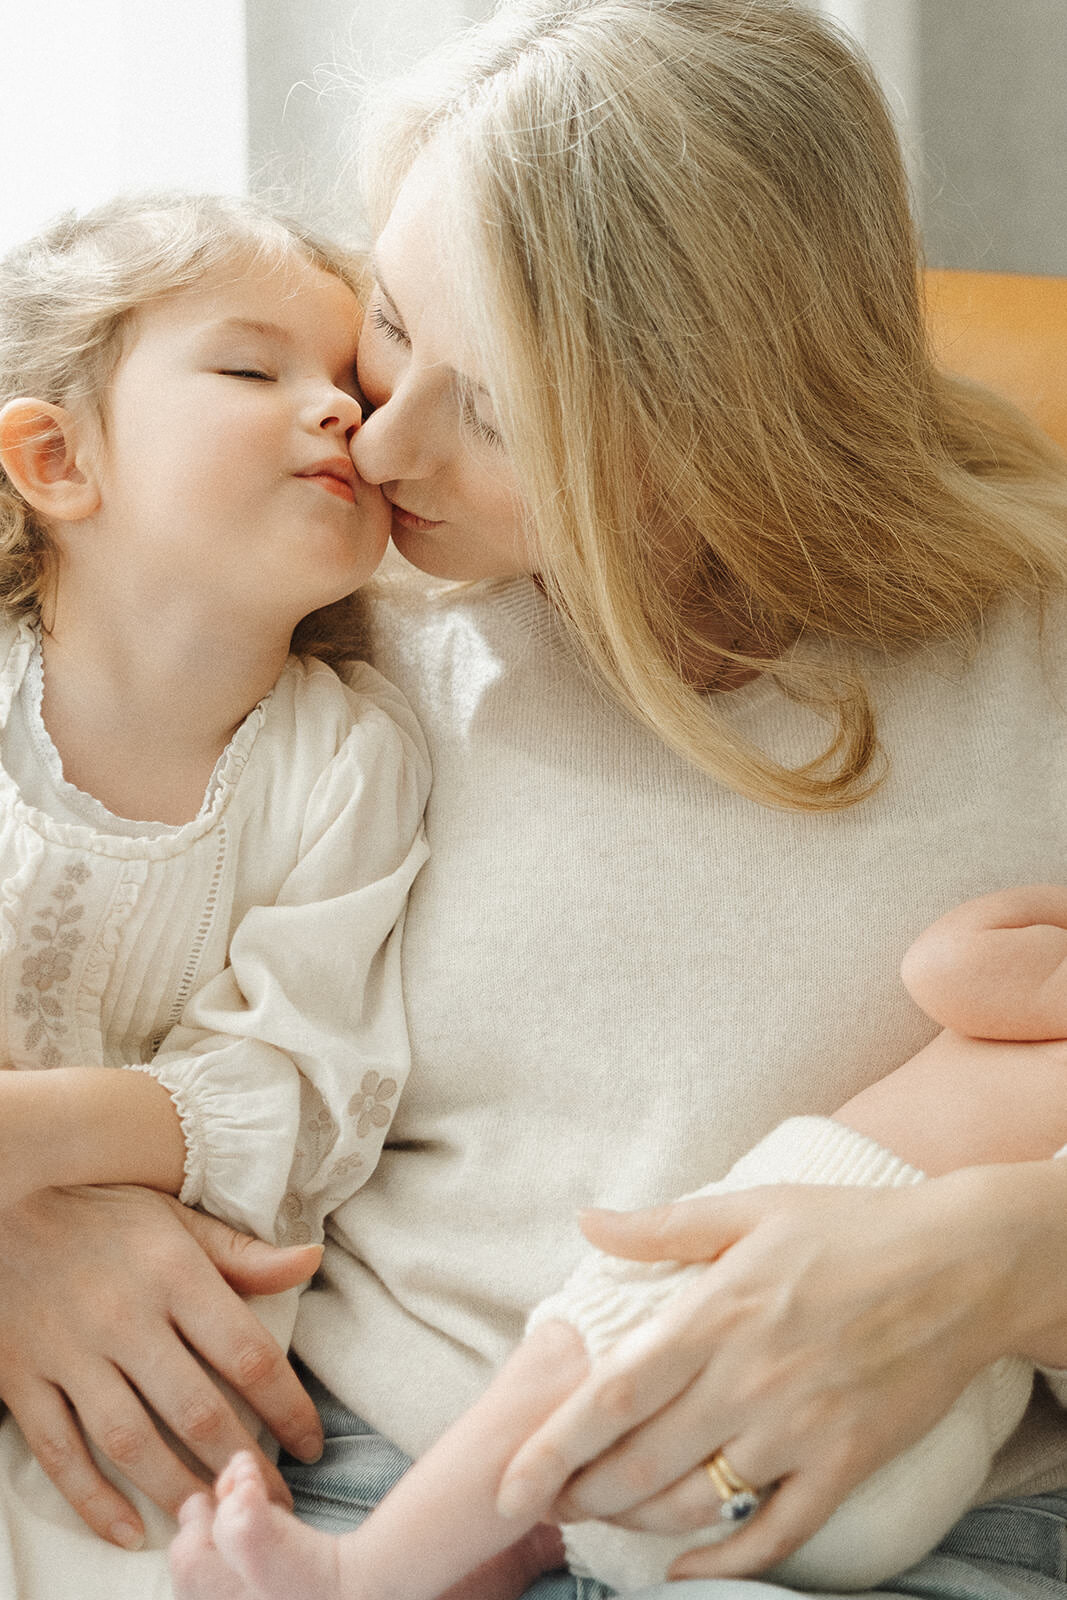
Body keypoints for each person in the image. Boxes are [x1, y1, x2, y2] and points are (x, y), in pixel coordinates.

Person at [5, 3, 1067, 1599]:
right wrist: (29, 1230)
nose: (382, 434)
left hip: (890, 1527)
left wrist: (996, 1267)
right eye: (393, 330)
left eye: (495, 409)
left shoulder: (1032, 654)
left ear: (728, 414)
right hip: (335, 1473)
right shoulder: (340, 611)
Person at [167, 883, 1067, 1599]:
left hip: (858, 1210)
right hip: (932, 1456)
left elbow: (945, 966)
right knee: (585, 1485)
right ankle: (492, 1560)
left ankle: (359, 1577)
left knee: (581, 1362)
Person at [0, 193, 429, 1594]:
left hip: (161, 1372)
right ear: (56, 457)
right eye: (253, 371)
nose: (342, 416)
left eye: (354, 385)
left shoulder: (348, 760)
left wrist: (25, 1137)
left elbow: (304, 1089)